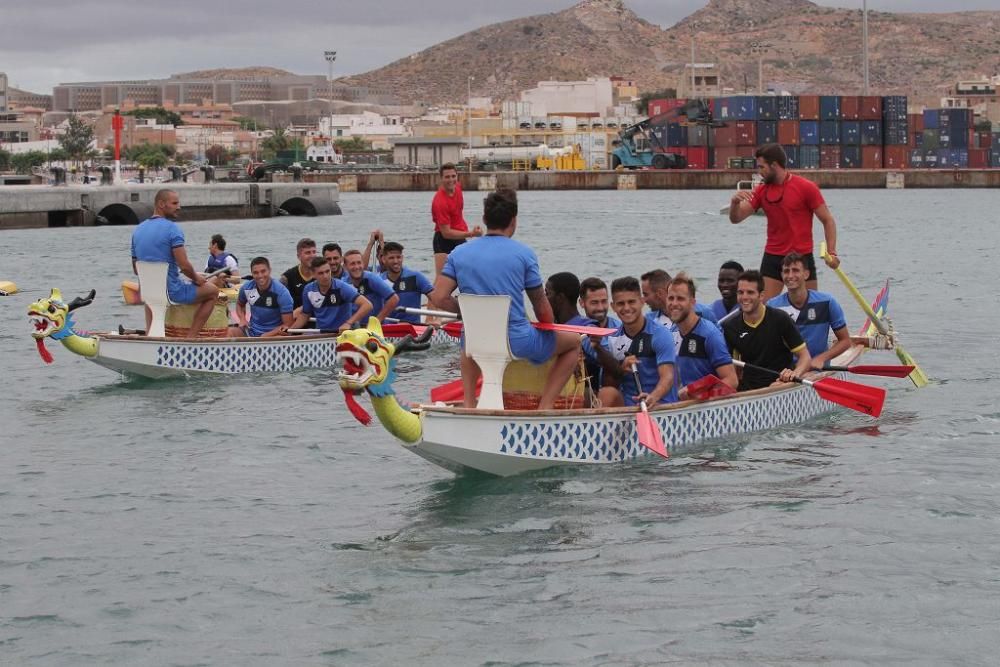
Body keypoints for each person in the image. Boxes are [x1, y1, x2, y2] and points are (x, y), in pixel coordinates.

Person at [429, 187, 580, 409]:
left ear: (484, 219)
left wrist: (466, 313)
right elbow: (542, 308)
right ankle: (545, 407)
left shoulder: (459, 253)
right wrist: (550, 328)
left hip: (475, 340)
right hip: (516, 341)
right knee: (574, 343)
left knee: (468, 335)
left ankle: (470, 405)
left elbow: (440, 297)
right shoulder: (524, 254)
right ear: (513, 220)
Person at [729, 143, 840, 301]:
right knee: (763, 309)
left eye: (762, 167)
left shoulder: (806, 188)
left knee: (810, 309)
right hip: (773, 257)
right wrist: (734, 203)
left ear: (774, 165)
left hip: (802, 257)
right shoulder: (761, 191)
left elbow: (828, 220)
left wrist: (832, 251)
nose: (759, 172)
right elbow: (736, 218)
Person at [130, 189, 224, 336]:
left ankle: (152, 336)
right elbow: (184, 266)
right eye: (174, 203)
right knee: (212, 292)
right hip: (172, 292)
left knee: (151, 295)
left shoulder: (137, 231)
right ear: (161, 204)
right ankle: (190, 339)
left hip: (148, 291)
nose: (179, 207)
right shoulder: (173, 229)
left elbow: (136, 269)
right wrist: (197, 278)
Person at [722, 269, 812, 391]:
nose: (744, 297)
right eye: (740, 292)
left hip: (780, 384)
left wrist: (795, 374)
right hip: (748, 390)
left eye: (750, 292)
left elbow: (805, 357)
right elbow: (733, 370)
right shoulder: (729, 327)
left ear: (761, 296)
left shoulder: (781, 319)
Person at [597, 276, 677, 408]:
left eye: (631, 302)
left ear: (642, 301)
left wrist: (653, 396)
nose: (627, 308)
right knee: (606, 393)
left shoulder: (660, 334)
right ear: (613, 307)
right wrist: (621, 369)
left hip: (658, 405)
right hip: (629, 406)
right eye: (621, 304)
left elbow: (667, 377)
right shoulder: (611, 338)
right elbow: (609, 384)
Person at [767, 252, 851, 369]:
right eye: (786, 271)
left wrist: (821, 358)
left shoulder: (827, 302)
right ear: (782, 275)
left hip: (816, 369)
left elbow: (845, 341)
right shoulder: (772, 306)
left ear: (806, 274)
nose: (790, 275)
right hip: (786, 371)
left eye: (795, 270)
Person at [665, 274, 738, 400]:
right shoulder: (669, 334)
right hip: (679, 406)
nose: (674, 303)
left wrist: (695, 389)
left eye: (680, 299)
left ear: (693, 302)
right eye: (671, 298)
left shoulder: (710, 334)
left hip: (705, 409)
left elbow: (731, 380)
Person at [289, 257, 372, 333]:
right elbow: (305, 315)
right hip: (321, 333)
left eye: (327, 271)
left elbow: (367, 305)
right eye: (321, 273)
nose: (325, 276)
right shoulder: (308, 290)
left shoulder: (341, 287)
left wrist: (348, 323)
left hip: (342, 333)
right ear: (313, 274)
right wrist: (290, 331)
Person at [431, 163, 483, 277]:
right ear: (441, 179)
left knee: (470, 273)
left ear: (457, 176)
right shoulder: (439, 202)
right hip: (443, 241)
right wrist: (471, 233)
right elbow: (446, 233)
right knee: (441, 280)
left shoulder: (457, 187)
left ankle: (465, 295)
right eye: (447, 177)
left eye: (453, 176)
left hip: (459, 237)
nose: (451, 180)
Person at [578, 277, 622, 395]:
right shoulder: (581, 329)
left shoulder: (618, 326)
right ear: (582, 303)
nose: (600, 308)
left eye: (604, 301)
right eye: (594, 303)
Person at [235, 256, 294, 337]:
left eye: (263, 271)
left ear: (270, 271)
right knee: (229, 333)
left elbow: (288, 325)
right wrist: (242, 319)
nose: (260, 276)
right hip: (251, 331)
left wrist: (266, 335)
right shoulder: (246, 288)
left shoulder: (282, 293)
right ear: (252, 273)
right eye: (256, 272)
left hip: (274, 335)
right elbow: (239, 304)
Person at [641, 269, 719, 327]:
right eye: (671, 298)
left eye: (646, 295)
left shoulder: (702, 312)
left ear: (660, 293)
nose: (644, 300)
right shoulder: (649, 320)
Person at [380, 241, 434, 324]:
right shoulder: (379, 281)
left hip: (412, 329)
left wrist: (432, 318)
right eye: (391, 258)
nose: (396, 261)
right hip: (387, 330)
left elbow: (436, 298)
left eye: (398, 257)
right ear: (383, 259)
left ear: (402, 258)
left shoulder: (415, 277)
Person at [343, 249, 399, 322]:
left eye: (359, 263)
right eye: (352, 264)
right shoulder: (343, 283)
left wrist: (377, 320)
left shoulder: (371, 278)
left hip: (374, 327)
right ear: (345, 267)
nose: (357, 267)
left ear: (363, 264)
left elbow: (394, 299)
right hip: (354, 327)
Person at [280, 238, 317, 311]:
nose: (312, 256)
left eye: (314, 252)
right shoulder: (287, 278)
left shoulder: (323, 273)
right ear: (298, 256)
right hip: (295, 318)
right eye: (308, 253)